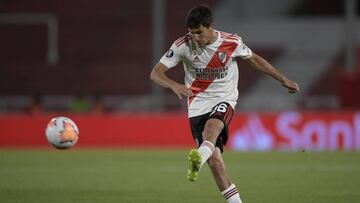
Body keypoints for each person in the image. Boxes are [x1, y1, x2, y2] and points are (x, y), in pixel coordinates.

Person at [150, 5, 299, 203]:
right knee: (216, 161)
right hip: (197, 104)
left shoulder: (231, 42)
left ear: (211, 26)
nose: (195, 37)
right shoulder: (182, 45)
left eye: (199, 32)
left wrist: (283, 79)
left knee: (211, 129)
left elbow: (254, 60)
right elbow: (156, 73)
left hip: (224, 99)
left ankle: (198, 159)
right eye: (192, 33)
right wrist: (173, 85)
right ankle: (206, 163)